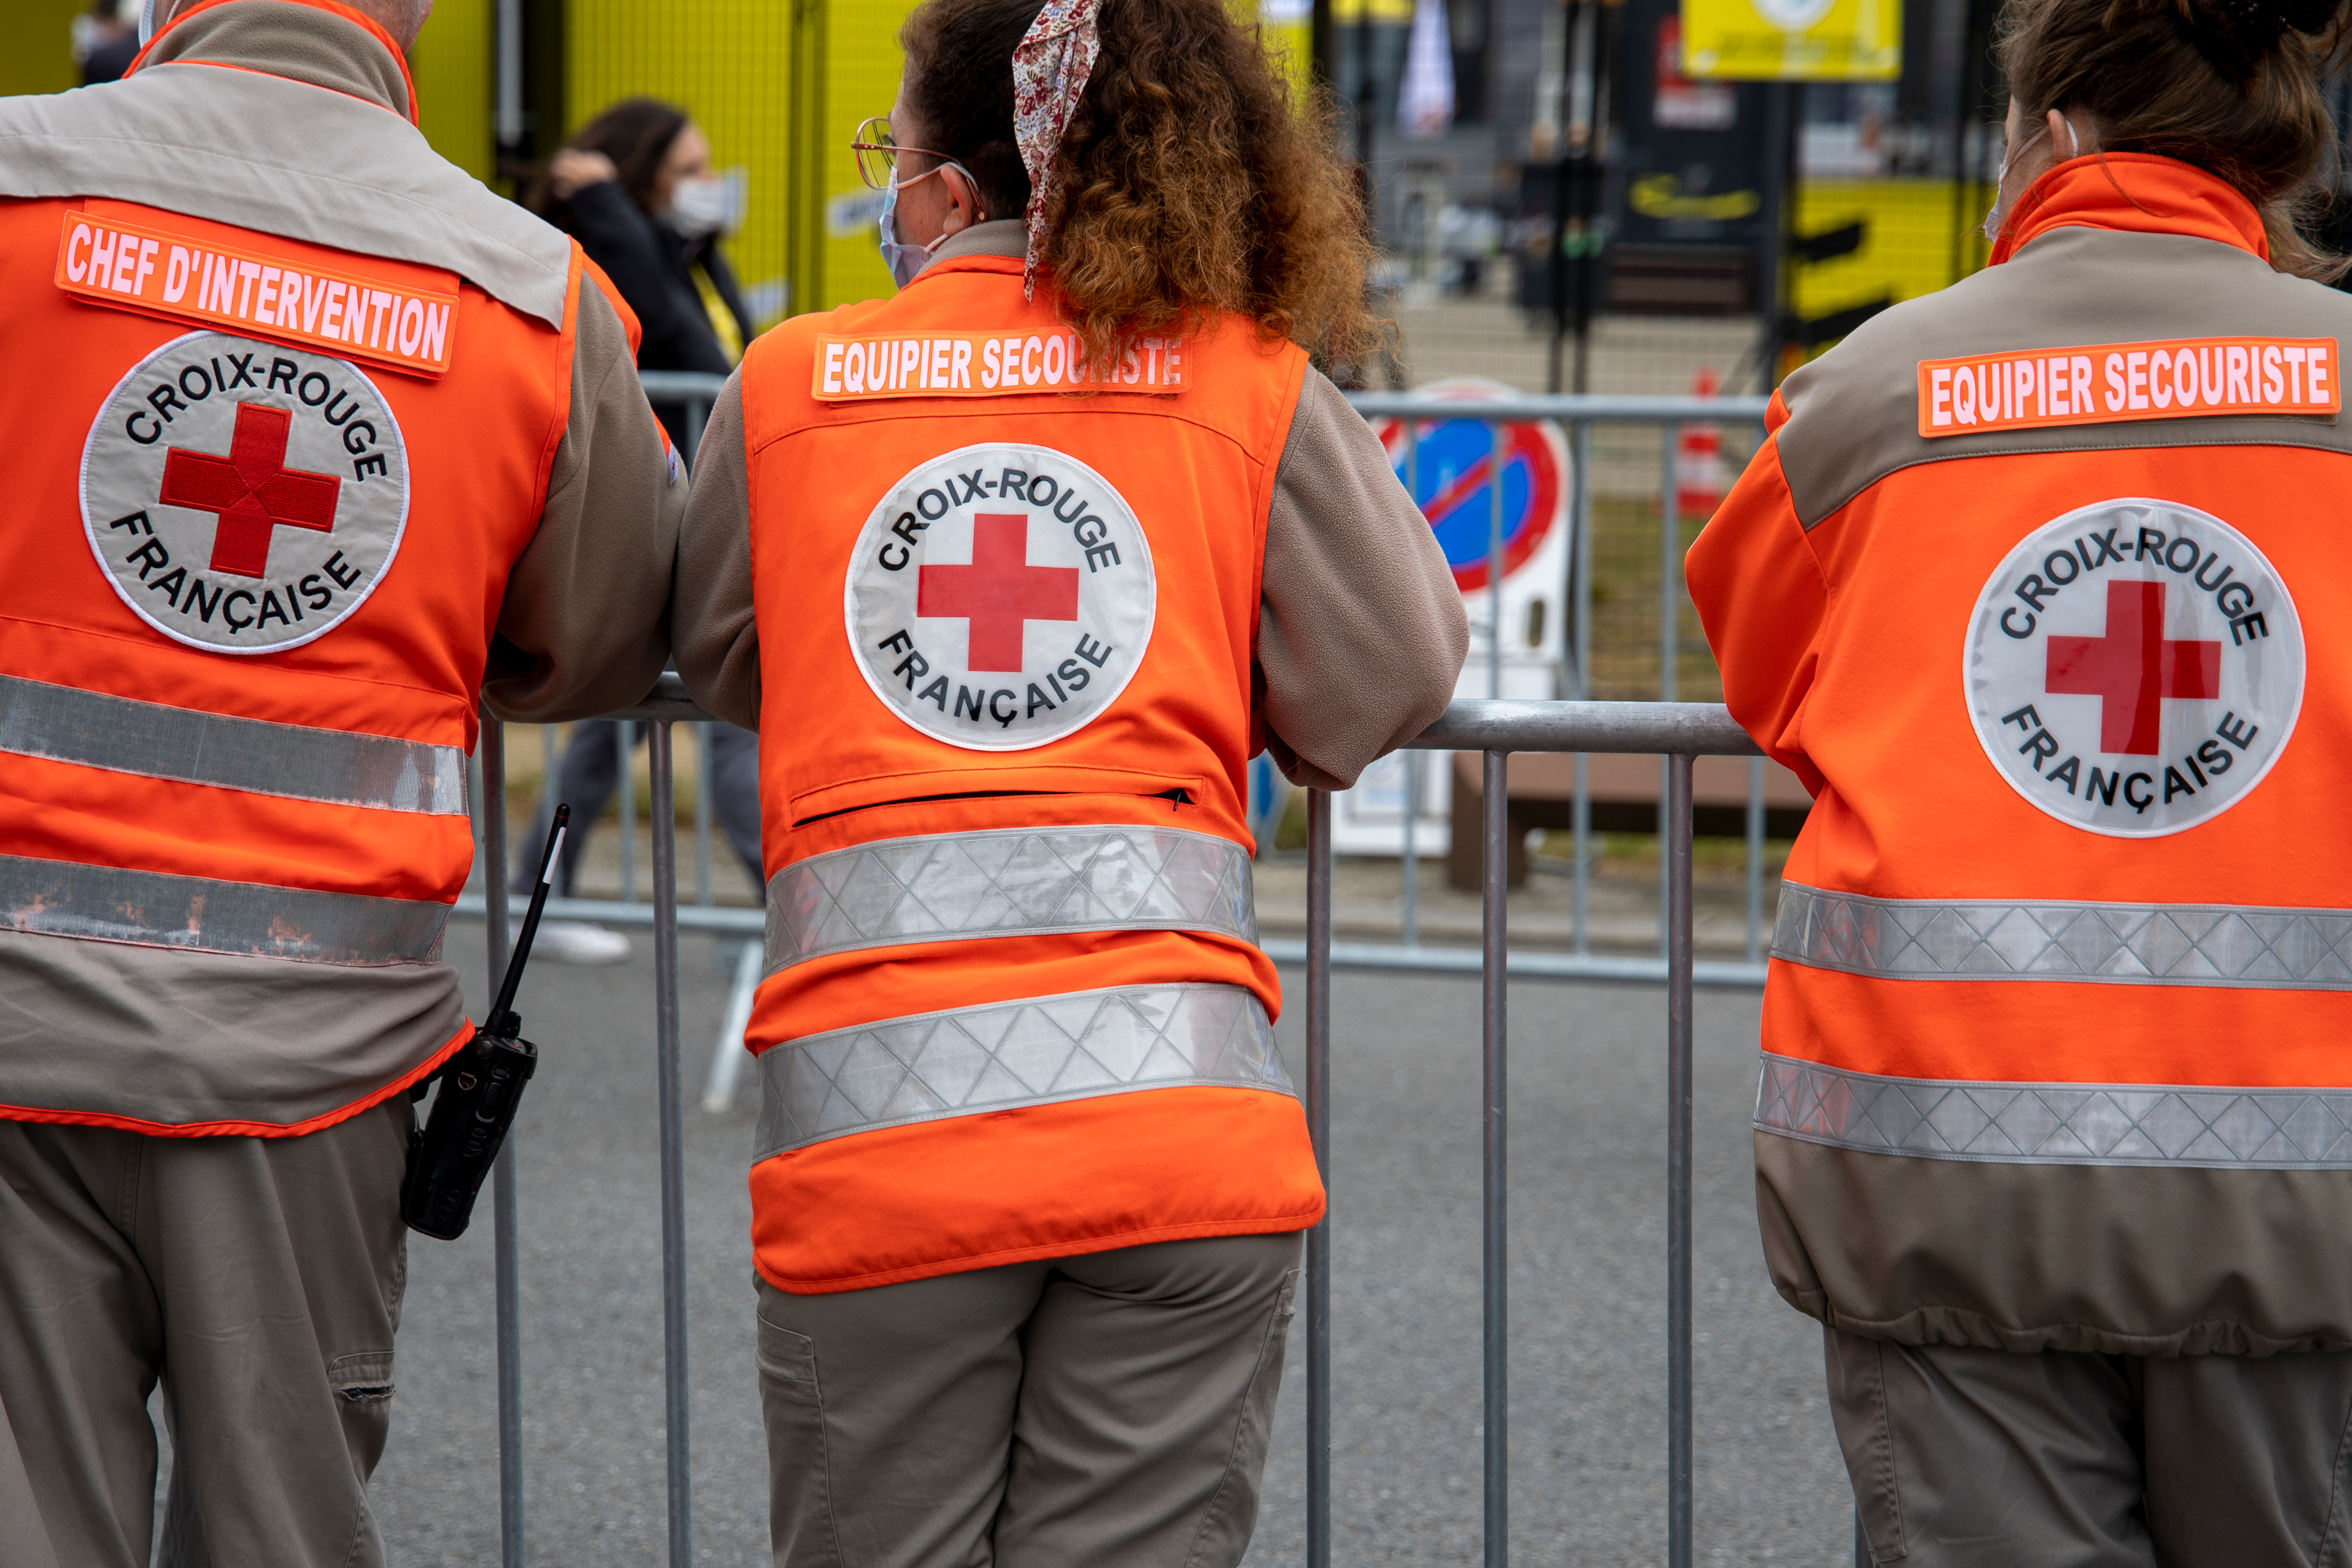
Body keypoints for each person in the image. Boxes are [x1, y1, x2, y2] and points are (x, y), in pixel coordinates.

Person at [670, 0, 1467, 1561]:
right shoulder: (1243, 374)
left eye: (885, 156)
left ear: (951, 192)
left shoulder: (788, 382)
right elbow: (1390, 677)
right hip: (1179, 1122)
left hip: (878, 1138)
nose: (884, 188)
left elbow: (722, 650)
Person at [0, 0, 681, 1561]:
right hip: (310, 1063)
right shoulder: (528, 286)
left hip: (14, 1020)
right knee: (279, 1527)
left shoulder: (15, 184)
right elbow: (589, 642)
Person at [1689, 0, 2352, 1560]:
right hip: (2309, 1200)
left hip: (1946, 1184)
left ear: (2051, 134)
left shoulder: (1864, 400)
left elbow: (1776, 682)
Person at [518, 97, 762, 963]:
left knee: (614, 726)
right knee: (725, 719)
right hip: (668, 517)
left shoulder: (682, 248)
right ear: (640, 178)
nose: (706, 185)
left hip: (701, 510)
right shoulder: (617, 242)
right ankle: (777, 911)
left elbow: (740, 353)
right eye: (689, 170)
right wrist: (615, 212)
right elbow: (694, 355)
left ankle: (531, 898)